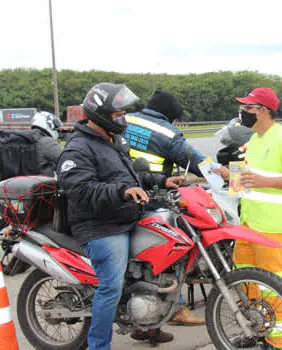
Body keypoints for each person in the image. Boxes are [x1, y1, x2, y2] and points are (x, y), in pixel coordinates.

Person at [57, 83, 183, 350]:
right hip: (101, 226)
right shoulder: (78, 149)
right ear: (100, 115)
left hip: (125, 216)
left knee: (161, 265)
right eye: (117, 115)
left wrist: (161, 181)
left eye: (123, 113)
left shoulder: (113, 141)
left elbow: (132, 178)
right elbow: (79, 189)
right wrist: (122, 191)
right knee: (111, 287)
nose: (122, 119)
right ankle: (98, 346)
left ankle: (148, 327)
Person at [114, 89, 226, 329]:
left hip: (120, 194)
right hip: (150, 197)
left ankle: (148, 326)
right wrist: (224, 176)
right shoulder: (167, 133)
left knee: (141, 261)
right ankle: (177, 307)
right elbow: (195, 162)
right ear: (169, 116)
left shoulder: (127, 120)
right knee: (173, 251)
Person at [217, 87, 282, 349]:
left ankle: (279, 341)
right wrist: (229, 175)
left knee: (272, 285)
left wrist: (264, 181)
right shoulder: (255, 139)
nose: (243, 112)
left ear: (263, 111)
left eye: (248, 107)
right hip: (249, 221)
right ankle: (255, 331)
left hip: (273, 224)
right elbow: (245, 183)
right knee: (245, 280)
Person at [116, 89, 205, 177]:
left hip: (122, 181)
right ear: (169, 115)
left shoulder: (124, 119)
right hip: (157, 185)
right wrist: (214, 169)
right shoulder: (169, 134)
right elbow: (195, 161)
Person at [30, 111, 63, 177]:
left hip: (22, 182)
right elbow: (66, 158)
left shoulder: (29, 138)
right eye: (55, 126)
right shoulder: (46, 141)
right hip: (43, 183)